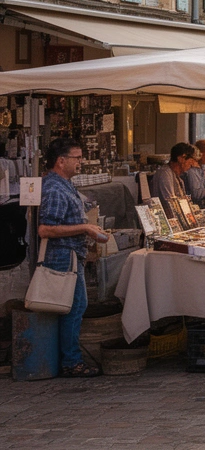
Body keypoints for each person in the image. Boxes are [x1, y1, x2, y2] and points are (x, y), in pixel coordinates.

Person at [38, 138, 108, 377]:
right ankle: (71, 361)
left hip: (72, 252)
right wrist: (85, 229)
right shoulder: (54, 188)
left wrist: (90, 230)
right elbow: (45, 229)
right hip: (61, 255)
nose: (81, 162)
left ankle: (69, 358)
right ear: (61, 161)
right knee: (73, 306)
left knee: (76, 305)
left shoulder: (65, 184)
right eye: (76, 158)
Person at [151, 143, 195, 209]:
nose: (192, 164)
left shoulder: (176, 176)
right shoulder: (165, 173)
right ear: (181, 158)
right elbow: (170, 202)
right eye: (191, 161)